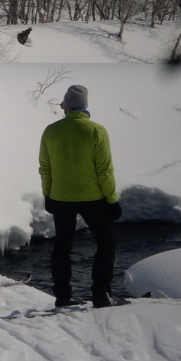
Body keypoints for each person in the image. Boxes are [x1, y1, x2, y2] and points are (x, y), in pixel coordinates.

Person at [39, 84, 127, 308]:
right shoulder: (96, 131)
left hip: (60, 198)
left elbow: (45, 167)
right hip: (93, 198)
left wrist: (48, 194)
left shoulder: (51, 130)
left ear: (66, 106)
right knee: (106, 244)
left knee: (62, 246)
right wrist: (112, 200)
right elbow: (105, 170)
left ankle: (62, 296)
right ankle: (101, 294)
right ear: (85, 107)